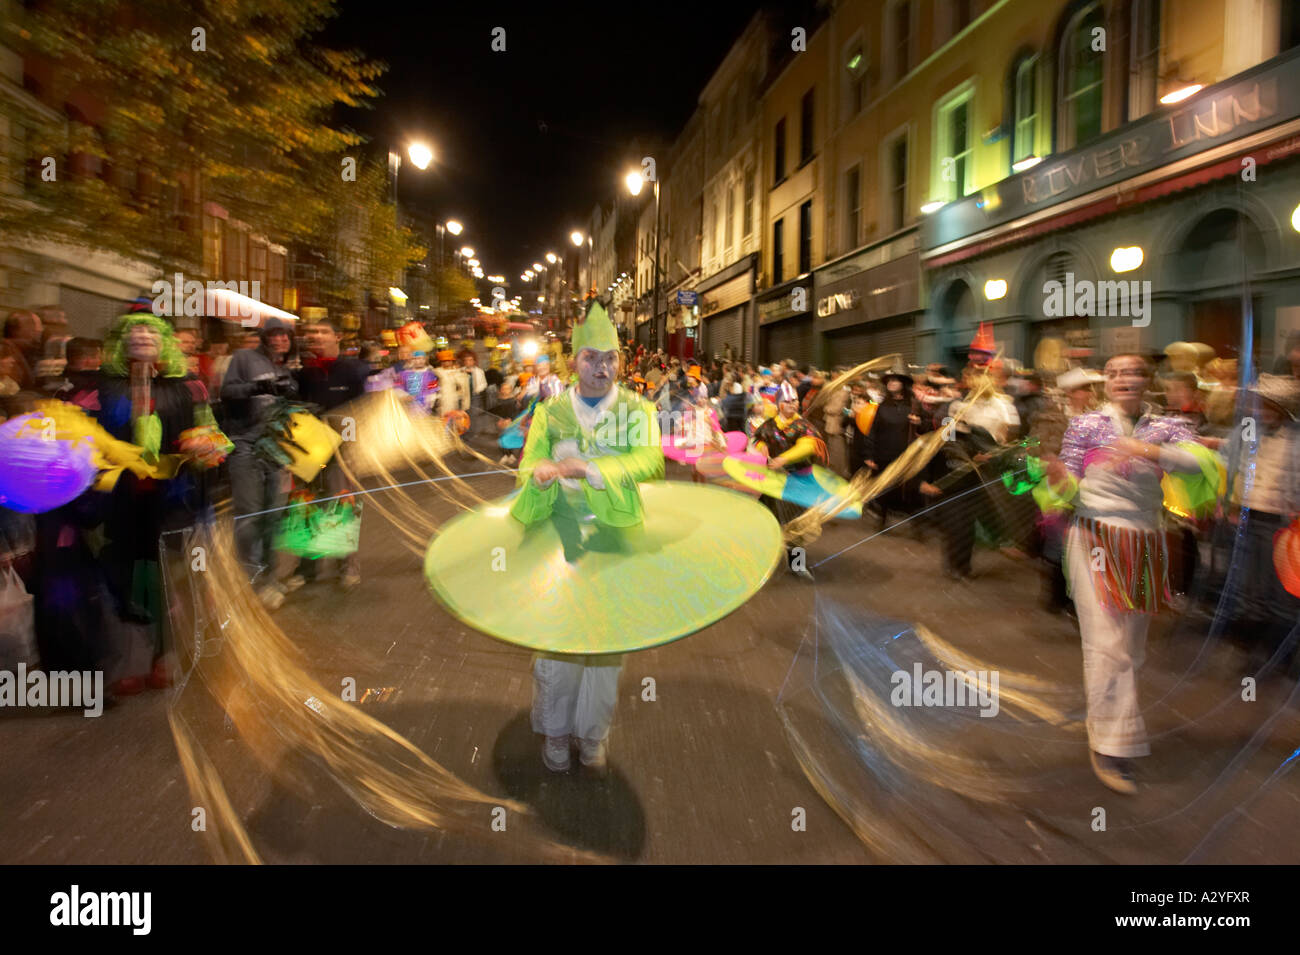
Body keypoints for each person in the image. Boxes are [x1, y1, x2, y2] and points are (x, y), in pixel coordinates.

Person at [512, 299, 663, 773]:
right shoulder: (551, 411)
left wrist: (594, 469)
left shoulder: (638, 408)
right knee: (559, 641)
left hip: (616, 539)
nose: (602, 367)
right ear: (573, 361)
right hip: (560, 539)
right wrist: (537, 474)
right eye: (591, 357)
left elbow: (652, 462)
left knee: (606, 647)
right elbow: (527, 466)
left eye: (611, 357)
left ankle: (593, 734)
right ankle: (556, 732)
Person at [1043, 354, 1203, 794]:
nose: (1123, 380)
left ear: (1146, 381)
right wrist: (1055, 478)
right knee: (1108, 643)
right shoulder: (1086, 426)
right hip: (1095, 538)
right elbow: (1065, 487)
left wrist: (1145, 450)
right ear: (1106, 383)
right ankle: (1112, 745)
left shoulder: (1165, 426)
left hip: (1146, 542)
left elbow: (1200, 465)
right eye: (1114, 374)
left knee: (1131, 648)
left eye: (1133, 373)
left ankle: (1107, 722)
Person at [221, 317, 298, 606]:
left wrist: (290, 391)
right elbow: (227, 392)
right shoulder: (243, 358)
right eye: (274, 335)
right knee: (250, 515)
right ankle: (250, 582)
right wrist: (256, 388)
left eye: (285, 336)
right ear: (264, 337)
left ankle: (270, 577)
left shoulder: (284, 368)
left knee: (274, 515)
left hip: (276, 449)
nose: (280, 340)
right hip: (246, 445)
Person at [290, 317, 370, 591]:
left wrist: (348, 450)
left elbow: (359, 411)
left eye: (324, 331)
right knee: (307, 509)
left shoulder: (352, 372)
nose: (317, 336)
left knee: (342, 508)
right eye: (313, 332)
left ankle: (347, 567)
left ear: (338, 337)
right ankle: (306, 569)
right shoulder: (303, 374)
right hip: (310, 453)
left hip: (341, 454)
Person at [752, 380, 828, 581]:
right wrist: (763, 448)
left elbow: (809, 445)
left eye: (795, 400)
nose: (793, 404)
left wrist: (784, 459)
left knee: (796, 528)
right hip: (774, 484)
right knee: (768, 522)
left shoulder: (804, 426)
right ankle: (765, 561)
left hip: (797, 483)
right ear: (779, 404)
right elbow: (759, 438)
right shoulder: (769, 425)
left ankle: (797, 566)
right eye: (787, 401)